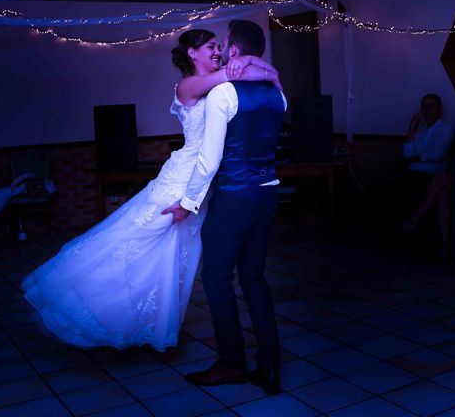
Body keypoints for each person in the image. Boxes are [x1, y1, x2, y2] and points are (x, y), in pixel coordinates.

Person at [22, 28, 281, 352]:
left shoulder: (226, 82)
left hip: (204, 185)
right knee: (134, 243)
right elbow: (263, 74)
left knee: (172, 258)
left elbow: (265, 74)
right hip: (180, 182)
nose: (217, 53)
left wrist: (255, 66)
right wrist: (253, 65)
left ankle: (151, 325)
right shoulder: (190, 85)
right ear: (192, 53)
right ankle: (92, 301)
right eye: (211, 47)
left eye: (220, 47)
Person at [163, 20, 287, 394]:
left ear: (234, 51)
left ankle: (232, 364)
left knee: (217, 278)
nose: (220, 52)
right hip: (268, 194)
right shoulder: (279, 93)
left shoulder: (224, 93)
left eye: (225, 45)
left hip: (235, 196)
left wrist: (187, 203)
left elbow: (209, 161)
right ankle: (269, 367)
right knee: (254, 278)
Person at [401, 123, 455, 258]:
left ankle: (415, 219)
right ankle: (444, 244)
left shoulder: (450, 129)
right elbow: (454, 153)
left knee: (440, 179)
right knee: (442, 193)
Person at [401, 93, 455, 212]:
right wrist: (412, 127)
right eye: (424, 106)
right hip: (412, 172)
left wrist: (415, 157)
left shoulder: (447, 128)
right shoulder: (420, 130)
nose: (427, 109)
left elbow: (436, 155)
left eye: (431, 106)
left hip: (430, 175)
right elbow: (407, 153)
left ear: (439, 109)